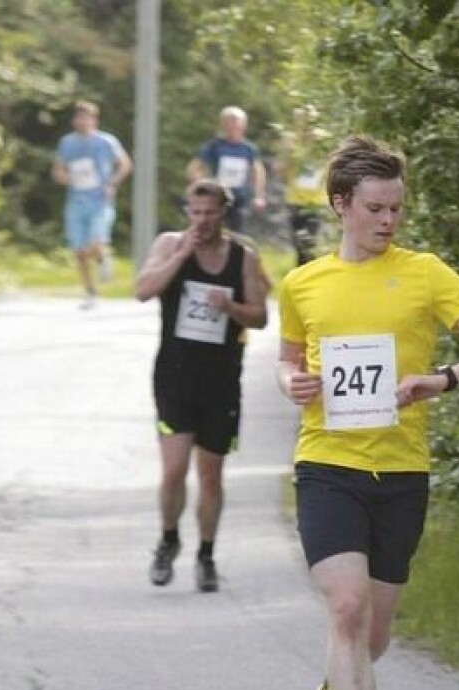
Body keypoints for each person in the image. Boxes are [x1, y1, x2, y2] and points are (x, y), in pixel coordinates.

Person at [276, 134, 459, 690]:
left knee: (374, 634)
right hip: (327, 463)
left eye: (397, 209)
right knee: (347, 608)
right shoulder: (303, 284)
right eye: (377, 208)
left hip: (402, 471)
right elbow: (288, 359)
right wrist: (293, 383)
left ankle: (338, 680)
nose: (389, 221)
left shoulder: (425, 274)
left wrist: (442, 379)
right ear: (340, 205)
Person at [135, 179, 270, 592]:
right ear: (187, 212)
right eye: (195, 213)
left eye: (210, 213)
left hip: (221, 381)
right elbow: (142, 290)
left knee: (210, 476)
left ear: (223, 213)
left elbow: (260, 316)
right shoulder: (169, 245)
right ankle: (168, 539)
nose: (202, 221)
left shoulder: (242, 257)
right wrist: (181, 256)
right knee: (173, 470)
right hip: (174, 377)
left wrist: (230, 307)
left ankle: (206, 554)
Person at [52, 100, 133, 309]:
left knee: (97, 242)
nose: (82, 121)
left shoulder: (106, 141)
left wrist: (112, 183)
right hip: (76, 201)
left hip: (101, 200)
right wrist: (63, 177)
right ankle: (91, 292)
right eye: (79, 117)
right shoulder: (67, 143)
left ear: (94, 120)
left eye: (86, 117)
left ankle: (103, 257)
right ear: (74, 120)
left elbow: (125, 164)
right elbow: (58, 170)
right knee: (79, 252)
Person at [187, 106, 267, 235]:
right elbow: (194, 168)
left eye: (236, 123)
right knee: (213, 231)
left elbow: (257, 171)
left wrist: (259, 196)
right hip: (218, 198)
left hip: (239, 198)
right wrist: (204, 186)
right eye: (229, 123)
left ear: (244, 126)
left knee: (237, 233)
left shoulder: (248, 149)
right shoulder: (214, 146)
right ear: (223, 125)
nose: (233, 128)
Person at [276, 106, 329, 266]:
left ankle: (308, 275)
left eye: (310, 120)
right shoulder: (290, 141)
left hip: (316, 202)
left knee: (309, 242)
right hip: (294, 200)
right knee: (298, 244)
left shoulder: (324, 140)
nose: (306, 124)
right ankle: (301, 276)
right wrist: (289, 152)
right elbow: (280, 172)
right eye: (302, 120)